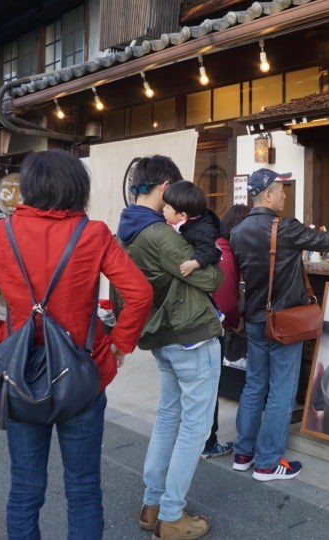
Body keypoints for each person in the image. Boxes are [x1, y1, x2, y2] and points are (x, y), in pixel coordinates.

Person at [0, 149, 153, 540]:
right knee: (82, 489)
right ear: (77, 188)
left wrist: (0, 341)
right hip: (82, 375)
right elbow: (140, 293)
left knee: (25, 489)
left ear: (28, 187)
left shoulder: (2, 234)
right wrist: (118, 346)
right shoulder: (93, 233)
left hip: (19, 378)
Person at [116, 155, 222, 540]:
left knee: (167, 418)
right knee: (193, 427)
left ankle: (152, 505)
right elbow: (210, 279)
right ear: (163, 188)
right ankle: (173, 515)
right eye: (174, 191)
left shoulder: (126, 229)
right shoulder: (160, 234)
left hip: (162, 334)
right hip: (189, 335)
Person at [229, 168, 329, 481]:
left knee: (254, 385)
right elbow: (325, 241)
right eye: (281, 190)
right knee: (281, 391)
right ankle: (267, 463)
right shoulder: (284, 228)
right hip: (285, 323)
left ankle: (243, 453)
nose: (285, 196)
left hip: (255, 320)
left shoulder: (237, 231)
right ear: (268, 194)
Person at [201, 203, 249, 460]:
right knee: (209, 387)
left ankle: (200, 440)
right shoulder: (226, 253)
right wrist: (234, 321)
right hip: (212, 327)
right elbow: (229, 301)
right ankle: (208, 443)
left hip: (198, 326)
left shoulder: (213, 245)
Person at [162, 180, 222, 278]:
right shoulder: (183, 220)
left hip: (206, 268)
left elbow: (208, 250)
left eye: (167, 207)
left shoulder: (200, 231)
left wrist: (194, 264)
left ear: (182, 215)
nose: (163, 209)